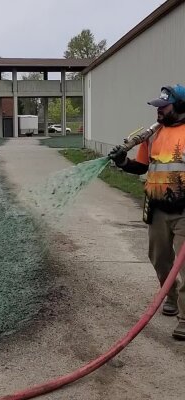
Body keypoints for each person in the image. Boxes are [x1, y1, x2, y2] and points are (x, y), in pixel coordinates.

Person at [109, 84, 185, 340]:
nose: (159, 111)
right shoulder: (152, 135)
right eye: (157, 107)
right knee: (160, 260)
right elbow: (141, 167)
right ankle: (171, 296)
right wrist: (122, 161)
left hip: (184, 211)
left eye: (164, 106)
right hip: (157, 209)